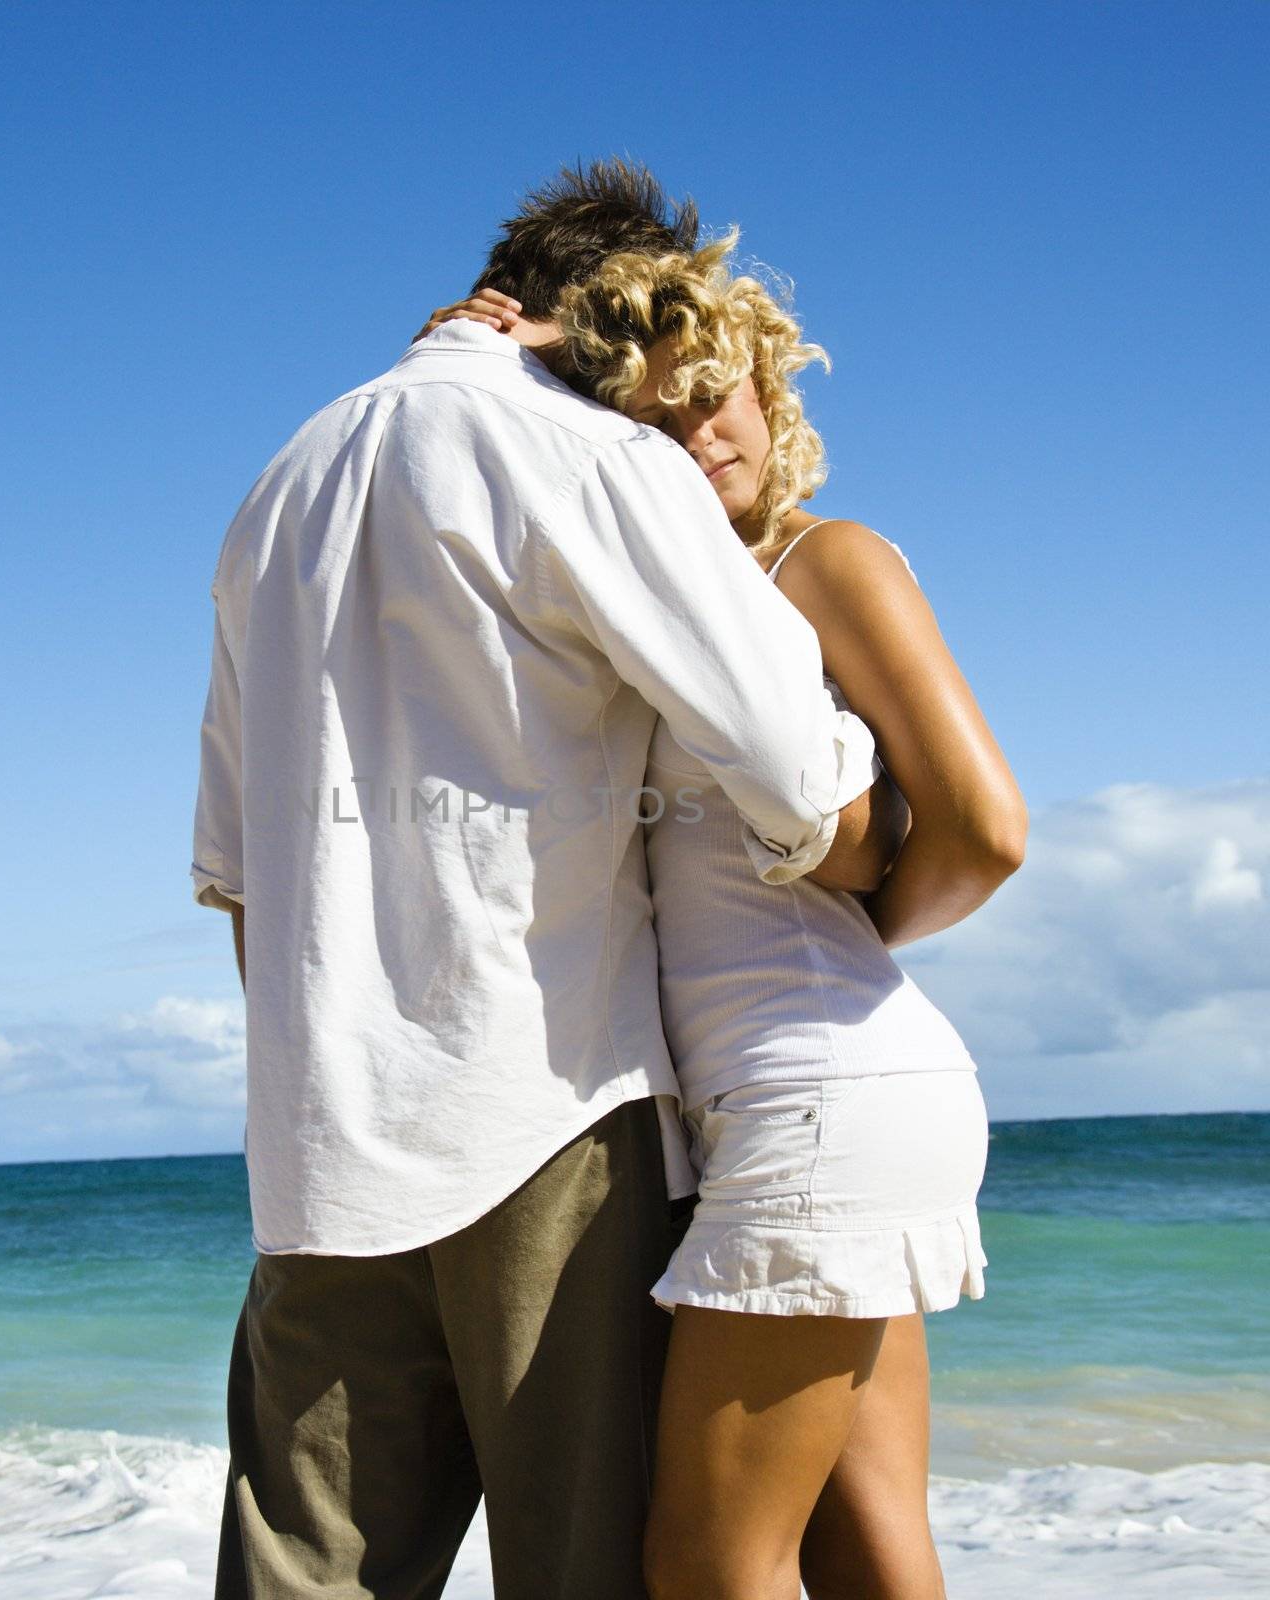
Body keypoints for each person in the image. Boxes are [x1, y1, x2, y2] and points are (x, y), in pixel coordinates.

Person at [191, 162, 907, 1600]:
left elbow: (242, 877)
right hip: (547, 1119)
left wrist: (321, 1094)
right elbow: (791, 763)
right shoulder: (583, 450)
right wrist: (874, 849)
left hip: (321, 1149)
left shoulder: (282, 482)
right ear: (600, 314)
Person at [425, 236, 1028, 1599]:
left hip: (824, 1093)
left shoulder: (823, 562)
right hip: (808, 1096)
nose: (701, 431)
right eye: (655, 409)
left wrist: (867, 895)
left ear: (770, 387)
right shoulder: (671, 608)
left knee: (704, 1565)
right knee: (861, 1543)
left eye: (719, 392)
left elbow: (988, 830)